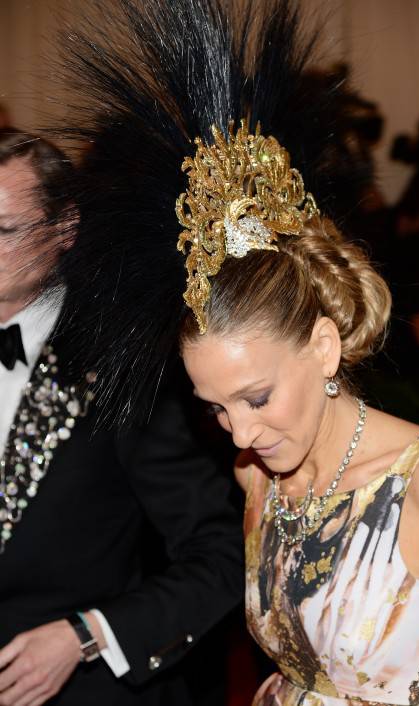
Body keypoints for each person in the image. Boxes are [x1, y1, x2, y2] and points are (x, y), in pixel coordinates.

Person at [43, 1, 419, 706]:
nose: (239, 435)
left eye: (256, 397)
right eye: (215, 408)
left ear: (324, 347)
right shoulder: (258, 478)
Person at [0, 128, 243, 705]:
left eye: (4, 230)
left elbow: (222, 553)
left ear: (65, 229)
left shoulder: (119, 365)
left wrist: (88, 636)